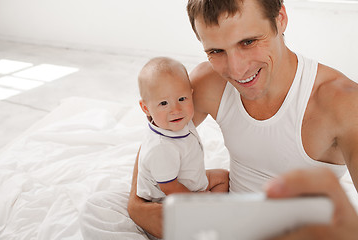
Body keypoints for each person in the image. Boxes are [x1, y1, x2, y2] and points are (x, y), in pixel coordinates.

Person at [128, 0, 358, 239]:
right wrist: (137, 206)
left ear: (280, 19)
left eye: (248, 42)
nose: (236, 71)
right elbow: (159, 135)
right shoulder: (208, 83)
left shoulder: (344, 103)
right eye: (216, 51)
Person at [136, 56, 229, 204]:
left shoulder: (179, 122)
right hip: (166, 198)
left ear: (191, 94)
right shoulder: (161, 147)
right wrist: (199, 199)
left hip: (188, 182)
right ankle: (210, 213)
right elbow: (170, 188)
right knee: (205, 203)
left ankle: (214, 208)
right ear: (146, 108)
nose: (176, 110)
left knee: (223, 178)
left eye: (182, 99)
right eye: (164, 103)